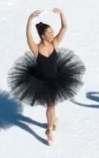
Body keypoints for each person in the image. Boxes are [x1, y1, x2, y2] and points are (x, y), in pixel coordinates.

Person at [7, 9, 86, 145]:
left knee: (51, 105)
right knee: (51, 106)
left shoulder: (55, 43)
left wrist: (62, 14)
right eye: (49, 32)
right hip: (40, 81)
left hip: (55, 79)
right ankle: (50, 126)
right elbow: (28, 37)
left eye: (52, 31)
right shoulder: (36, 49)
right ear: (43, 36)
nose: (52, 34)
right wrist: (29, 20)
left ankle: (51, 125)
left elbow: (64, 27)